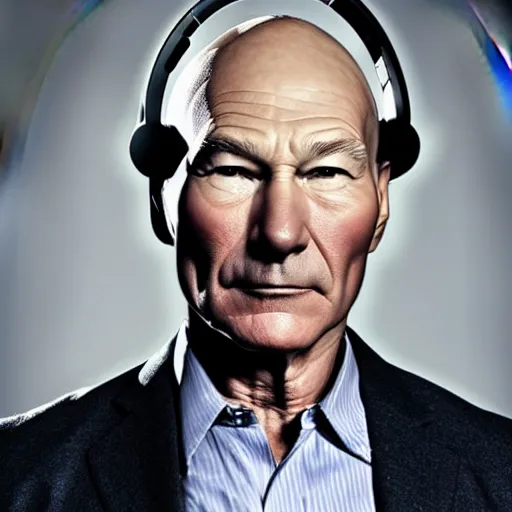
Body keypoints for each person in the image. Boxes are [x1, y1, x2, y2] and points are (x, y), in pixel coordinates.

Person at [1, 16, 511, 512]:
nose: (281, 233)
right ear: (162, 196)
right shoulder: (15, 474)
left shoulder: (499, 472)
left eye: (327, 171)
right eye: (234, 170)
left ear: (381, 204)